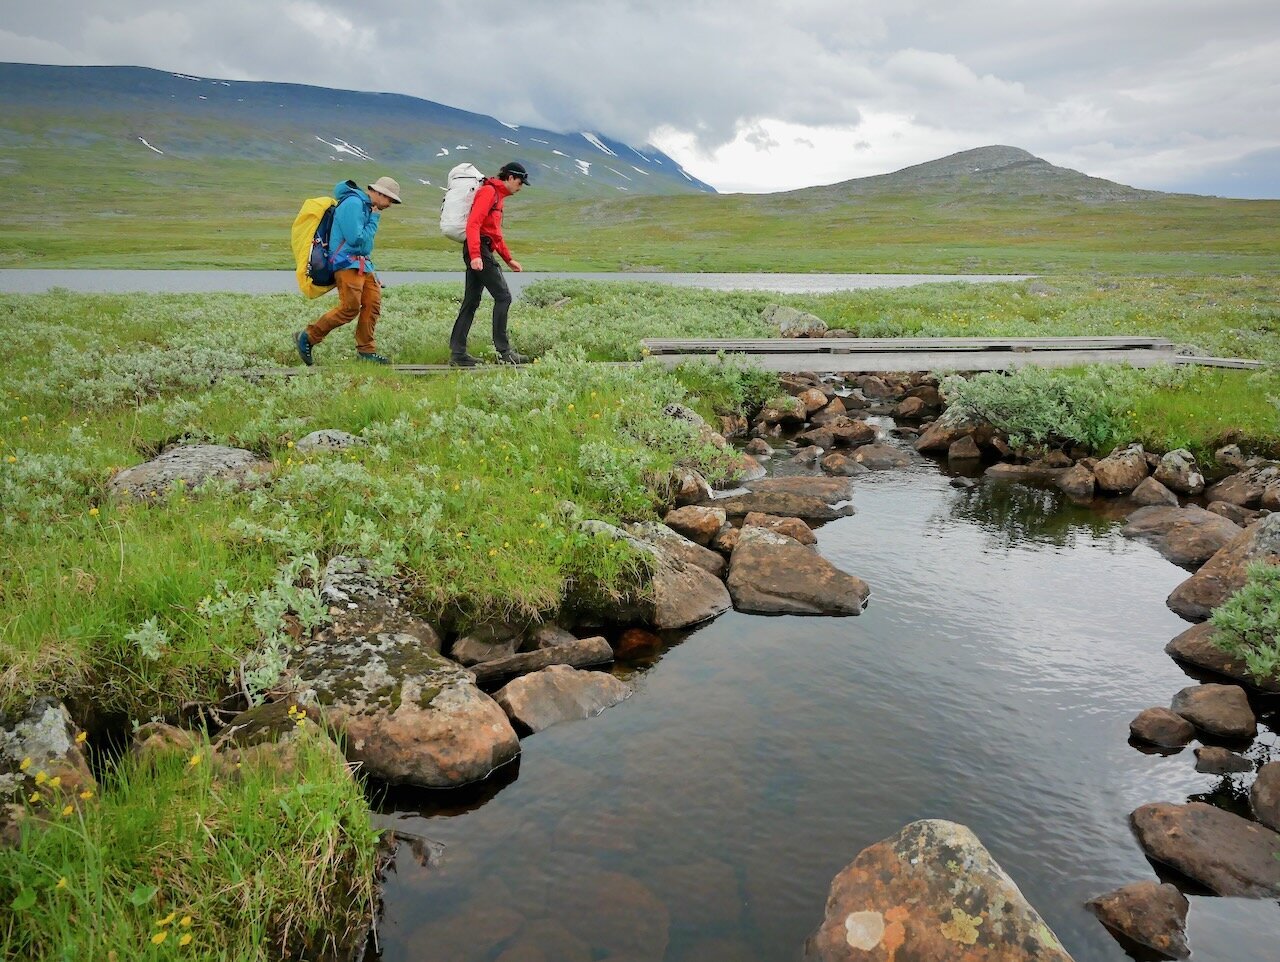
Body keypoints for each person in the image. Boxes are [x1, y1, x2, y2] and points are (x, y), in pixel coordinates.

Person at [295, 176, 401, 366]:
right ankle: (309, 336)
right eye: (390, 199)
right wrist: (375, 219)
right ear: (378, 192)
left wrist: (373, 272)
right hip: (347, 265)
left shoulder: (366, 207)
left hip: (363, 265)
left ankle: (366, 351)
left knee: (373, 304)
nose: (390, 204)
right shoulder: (353, 203)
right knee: (349, 309)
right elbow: (355, 239)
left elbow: (365, 246)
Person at [449, 161, 531, 367]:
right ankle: (504, 352)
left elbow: (495, 234)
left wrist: (509, 259)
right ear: (511, 178)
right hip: (478, 250)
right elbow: (474, 223)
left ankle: (458, 354)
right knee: (503, 297)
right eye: (520, 183)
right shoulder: (488, 193)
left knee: (471, 301)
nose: (520, 188)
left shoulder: (498, 196)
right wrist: (476, 255)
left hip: (480, 249)